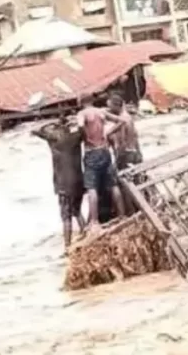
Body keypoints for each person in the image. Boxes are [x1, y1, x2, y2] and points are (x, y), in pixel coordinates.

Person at [32, 118, 87, 251]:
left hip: (63, 184)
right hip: (79, 182)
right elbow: (83, 129)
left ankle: (67, 246)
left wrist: (51, 124)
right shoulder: (76, 137)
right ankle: (86, 235)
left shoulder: (53, 139)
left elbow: (37, 131)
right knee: (77, 212)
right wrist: (71, 124)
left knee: (66, 217)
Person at [77, 99, 127, 227]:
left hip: (91, 152)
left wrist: (86, 138)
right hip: (104, 151)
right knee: (113, 184)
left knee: (92, 188)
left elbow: (81, 126)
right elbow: (121, 121)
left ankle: (94, 221)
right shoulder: (101, 111)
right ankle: (122, 216)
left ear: (80, 102)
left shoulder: (82, 114)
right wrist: (108, 132)